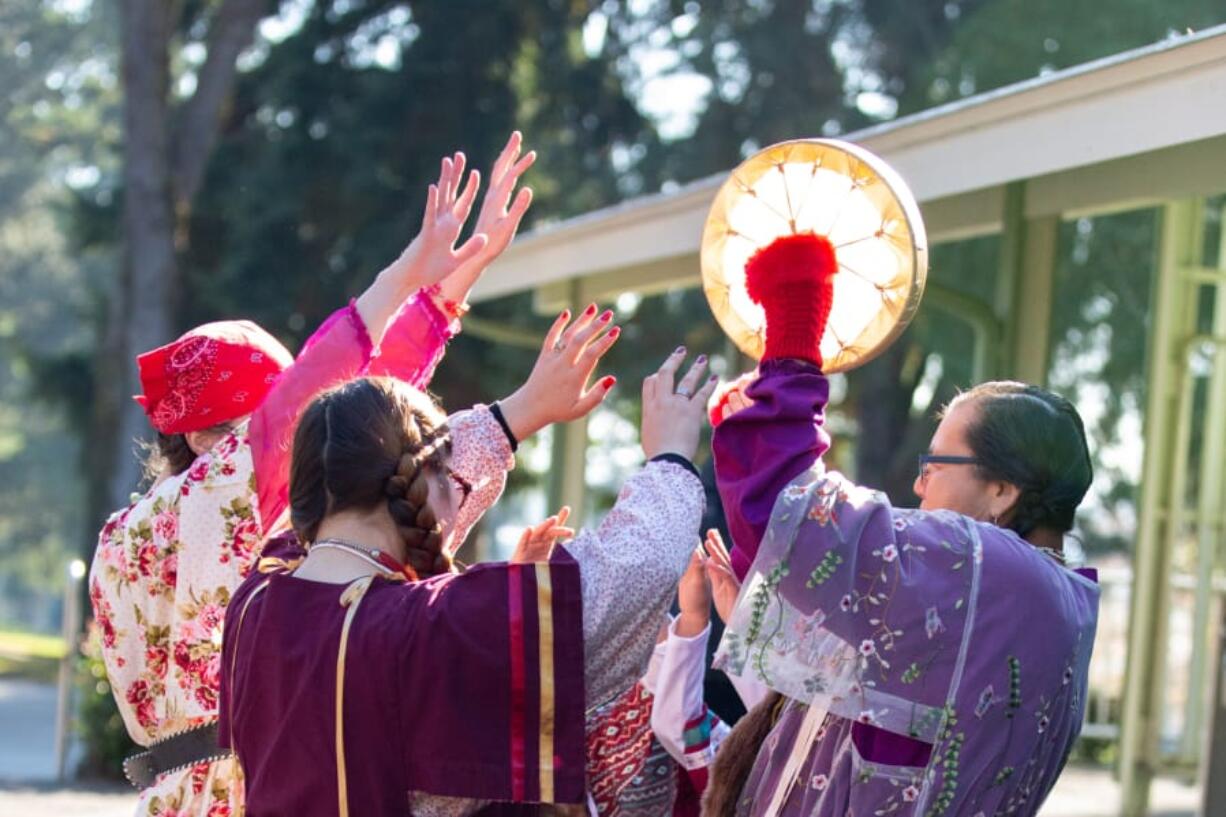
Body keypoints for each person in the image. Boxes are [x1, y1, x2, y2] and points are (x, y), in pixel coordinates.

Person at [89, 134, 535, 816]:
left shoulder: (121, 538)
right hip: (252, 785)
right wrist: (421, 281)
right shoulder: (229, 494)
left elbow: (348, 407)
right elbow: (345, 410)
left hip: (167, 795)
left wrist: (443, 286)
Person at [219, 328, 721, 816]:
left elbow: (409, 493)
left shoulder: (255, 599)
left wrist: (517, 413)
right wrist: (670, 458)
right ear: (426, 482)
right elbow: (636, 571)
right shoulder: (422, 631)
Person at [699, 233, 1101, 816]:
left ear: (1002, 491)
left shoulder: (993, 570)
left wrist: (793, 330)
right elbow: (860, 684)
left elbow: (796, 515)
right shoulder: (1044, 604)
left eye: (935, 465)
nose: (919, 486)